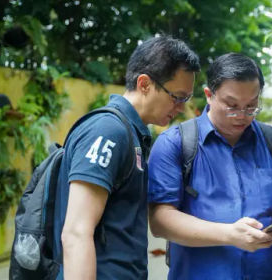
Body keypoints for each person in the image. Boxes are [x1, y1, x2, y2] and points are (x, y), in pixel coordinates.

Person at [148, 53, 272, 280]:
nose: (242, 116)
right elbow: (160, 221)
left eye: (251, 106)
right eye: (231, 105)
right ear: (209, 95)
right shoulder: (175, 143)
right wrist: (228, 234)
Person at [52, 36, 200, 279]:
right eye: (177, 97)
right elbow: (76, 233)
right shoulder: (109, 131)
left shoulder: (133, 134)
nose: (182, 107)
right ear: (144, 84)